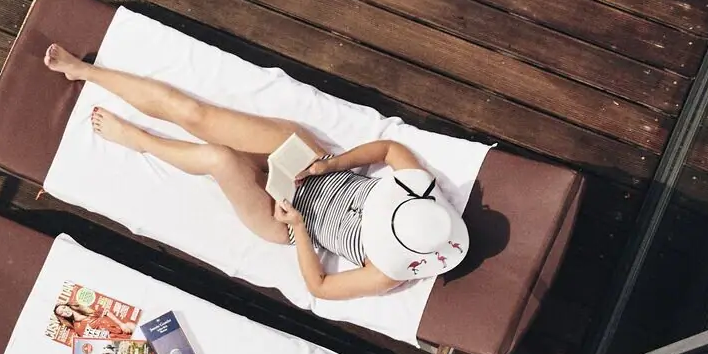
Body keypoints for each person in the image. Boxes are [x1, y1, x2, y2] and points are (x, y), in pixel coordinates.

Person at [43, 42, 469, 301]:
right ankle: (84, 70)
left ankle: (141, 141)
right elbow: (390, 147)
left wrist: (299, 227)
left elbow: (319, 286)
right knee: (194, 113)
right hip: (313, 165)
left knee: (218, 158)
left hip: (284, 220)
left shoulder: (386, 273)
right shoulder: (421, 198)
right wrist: (333, 162)